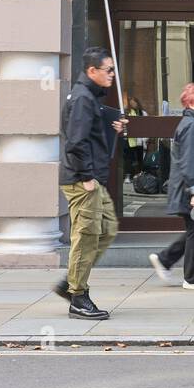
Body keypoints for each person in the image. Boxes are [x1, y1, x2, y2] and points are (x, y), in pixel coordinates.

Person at [57, 47, 126, 321]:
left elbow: (90, 133)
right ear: (92, 71)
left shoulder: (90, 97)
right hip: (82, 180)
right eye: (108, 70)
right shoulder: (84, 99)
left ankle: (72, 280)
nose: (112, 74)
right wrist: (86, 177)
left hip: (90, 178)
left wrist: (112, 126)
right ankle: (78, 297)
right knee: (86, 237)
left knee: (106, 229)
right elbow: (76, 142)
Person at [148, 83, 194, 290]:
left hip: (192, 190)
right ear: (191, 103)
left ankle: (165, 259)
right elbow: (189, 163)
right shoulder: (192, 127)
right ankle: (192, 278)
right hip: (192, 192)